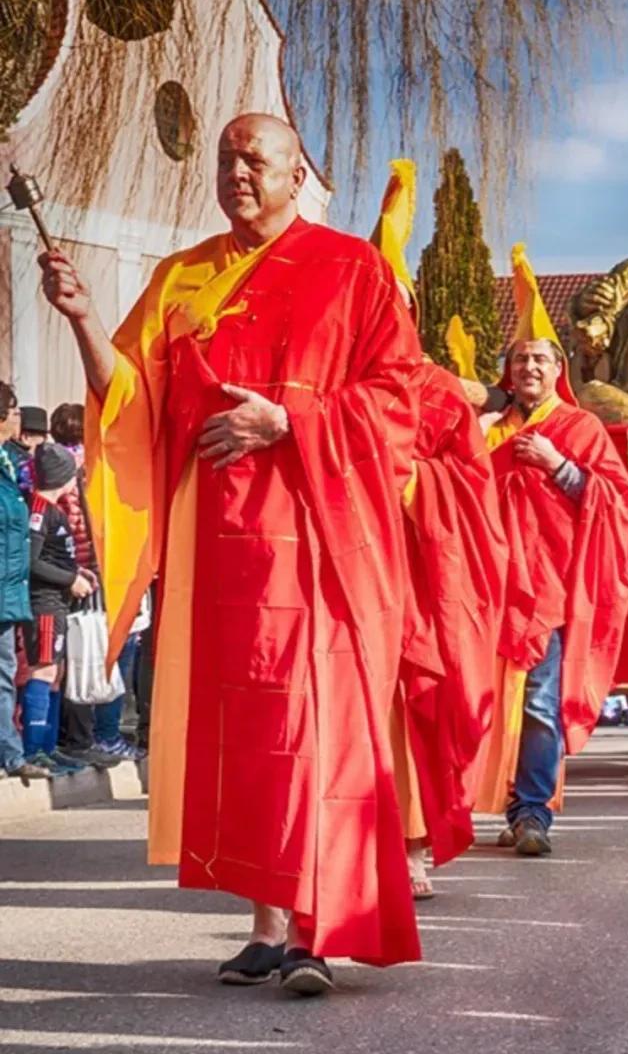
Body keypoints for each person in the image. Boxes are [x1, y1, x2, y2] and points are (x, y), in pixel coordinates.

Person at [39, 112, 423, 995]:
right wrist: (85, 318)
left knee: (308, 725)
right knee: (242, 734)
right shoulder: (185, 275)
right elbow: (131, 398)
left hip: (312, 536)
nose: (238, 173)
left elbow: (401, 396)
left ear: (299, 175)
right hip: (215, 550)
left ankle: (318, 928)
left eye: (256, 159)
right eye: (226, 159)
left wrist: (291, 419)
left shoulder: (351, 269)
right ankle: (265, 922)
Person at [369, 159, 508, 899]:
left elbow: (473, 493)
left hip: (418, 580)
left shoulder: (439, 393)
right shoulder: (331, 384)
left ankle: (414, 842)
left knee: (414, 709)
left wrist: (417, 482)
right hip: (346, 575)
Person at [473, 244, 628, 857]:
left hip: (546, 590)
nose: (529, 369)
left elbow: (616, 499)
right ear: (507, 371)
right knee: (485, 700)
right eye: (520, 360)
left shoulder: (579, 428)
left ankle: (533, 810)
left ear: (557, 367)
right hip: (487, 587)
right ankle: (486, 801)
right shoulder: (489, 431)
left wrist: (560, 465)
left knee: (539, 703)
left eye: (540, 359)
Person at [18, 444, 96, 772]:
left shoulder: (55, 509)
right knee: (44, 669)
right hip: (44, 603)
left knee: (56, 674)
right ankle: (34, 749)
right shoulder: (38, 510)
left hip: (59, 602)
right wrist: (68, 579)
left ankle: (49, 748)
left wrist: (77, 573)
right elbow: (31, 561)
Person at [0, 384, 50, 783]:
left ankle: (11, 755)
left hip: (8, 590)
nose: (18, 419)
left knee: (5, 673)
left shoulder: (8, 463)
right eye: (14, 411)